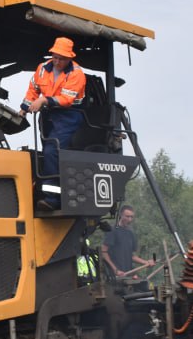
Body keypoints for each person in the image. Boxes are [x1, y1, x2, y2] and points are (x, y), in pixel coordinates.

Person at [22, 36, 87, 209]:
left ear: (69, 58)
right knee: (47, 152)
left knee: (52, 151)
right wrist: (23, 108)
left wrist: (43, 101)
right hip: (48, 115)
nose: (57, 61)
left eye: (62, 58)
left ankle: (53, 200)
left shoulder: (76, 74)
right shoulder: (42, 69)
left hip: (69, 115)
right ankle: (46, 193)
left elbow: (66, 99)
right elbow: (33, 90)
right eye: (55, 57)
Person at [101, 204, 155, 283]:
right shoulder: (112, 231)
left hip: (127, 276)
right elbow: (104, 252)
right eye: (127, 216)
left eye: (131, 217)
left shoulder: (131, 233)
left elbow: (132, 257)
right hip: (113, 276)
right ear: (120, 215)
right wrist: (115, 270)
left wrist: (146, 262)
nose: (129, 219)